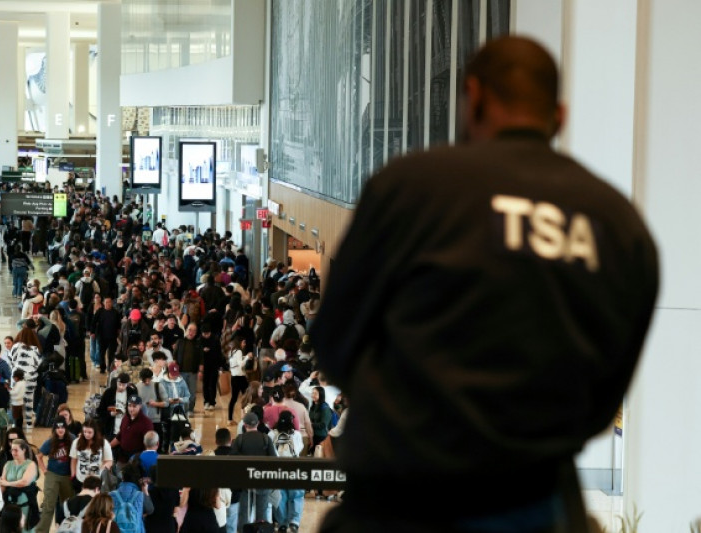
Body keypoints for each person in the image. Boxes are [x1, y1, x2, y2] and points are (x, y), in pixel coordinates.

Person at [313, 36, 660, 532]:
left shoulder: (410, 188)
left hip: (399, 504)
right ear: (558, 116)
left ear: (472, 96)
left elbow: (334, 343)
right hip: (538, 507)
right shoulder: (619, 227)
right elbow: (605, 398)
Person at [230, 412, 276, 529]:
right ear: (258, 424)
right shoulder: (266, 439)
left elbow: (231, 460)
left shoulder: (239, 439)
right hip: (262, 480)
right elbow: (274, 461)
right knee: (262, 514)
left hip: (245, 483)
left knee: (243, 514)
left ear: (245, 425)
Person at [36, 420, 76, 533]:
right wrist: (44, 471)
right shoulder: (50, 441)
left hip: (67, 476)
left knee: (68, 505)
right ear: (55, 429)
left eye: (62, 427)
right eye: (58, 428)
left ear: (66, 428)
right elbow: (39, 456)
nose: (60, 430)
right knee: (48, 504)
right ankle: (41, 531)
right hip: (52, 474)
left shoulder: (72, 439)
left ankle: (69, 530)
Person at [0, 439, 39, 532]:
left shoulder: (31, 464)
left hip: (25, 506)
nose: (13, 452)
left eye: (16, 450)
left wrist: (7, 483)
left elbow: (24, 482)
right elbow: (2, 483)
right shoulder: (8, 464)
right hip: (10, 506)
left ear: (24, 450)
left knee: (24, 529)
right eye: (12, 450)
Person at [70, 422, 113, 494]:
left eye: (89, 432)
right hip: (80, 480)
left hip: (96, 481)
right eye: (85, 432)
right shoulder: (76, 442)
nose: (86, 434)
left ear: (95, 432)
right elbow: (73, 460)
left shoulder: (103, 443)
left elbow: (109, 461)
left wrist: (100, 470)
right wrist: (73, 475)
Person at [109, 463, 153, 533]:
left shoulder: (111, 495)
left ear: (123, 477)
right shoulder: (140, 495)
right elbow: (150, 510)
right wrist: (145, 491)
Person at [109, 396, 153, 463]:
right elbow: (120, 436)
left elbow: (148, 446)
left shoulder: (146, 423)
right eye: (129, 405)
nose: (131, 409)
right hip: (122, 457)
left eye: (134, 406)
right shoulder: (125, 418)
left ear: (140, 406)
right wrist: (108, 446)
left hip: (136, 460)